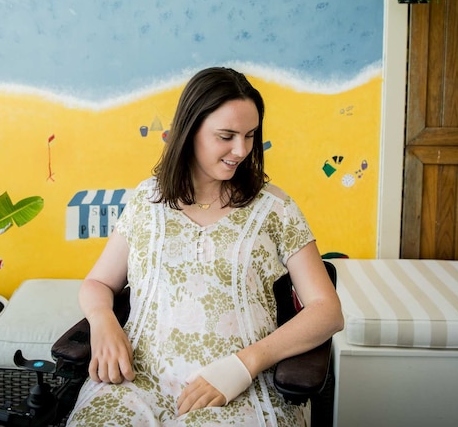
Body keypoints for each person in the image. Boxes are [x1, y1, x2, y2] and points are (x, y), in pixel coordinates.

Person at [67, 67, 344, 427]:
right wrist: (103, 322)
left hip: (239, 387)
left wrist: (244, 365)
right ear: (190, 130)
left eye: (249, 135)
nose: (241, 150)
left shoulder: (275, 209)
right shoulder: (146, 201)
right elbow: (98, 283)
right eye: (226, 136)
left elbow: (327, 310)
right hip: (136, 380)